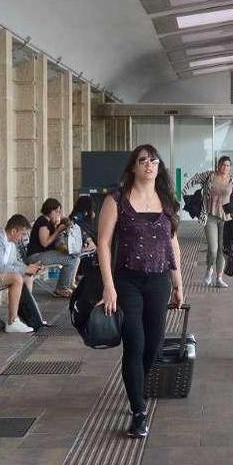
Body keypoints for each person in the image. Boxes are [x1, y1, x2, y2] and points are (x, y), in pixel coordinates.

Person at [97, 144, 184, 439]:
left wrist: (178, 282)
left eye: (153, 160)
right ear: (133, 167)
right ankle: (138, 410)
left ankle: (137, 386)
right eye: (143, 160)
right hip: (127, 281)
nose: (149, 164)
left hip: (159, 280)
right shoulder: (117, 200)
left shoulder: (166, 200)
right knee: (134, 342)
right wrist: (109, 286)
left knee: (154, 345)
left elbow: (172, 244)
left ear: (159, 167)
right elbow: (104, 245)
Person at [183, 156, 233, 287]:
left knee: (222, 250)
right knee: (213, 249)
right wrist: (184, 192)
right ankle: (209, 269)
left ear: (230, 168)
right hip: (210, 217)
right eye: (223, 165)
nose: (225, 168)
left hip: (226, 219)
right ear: (218, 165)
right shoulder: (209, 176)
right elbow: (194, 179)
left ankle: (219, 278)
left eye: (228, 165)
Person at [26, 198, 82, 298]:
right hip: (36, 256)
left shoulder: (49, 222)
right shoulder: (43, 222)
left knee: (74, 257)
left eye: (59, 211)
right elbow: (45, 243)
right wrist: (57, 231)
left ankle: (67, 285)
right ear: (49, 210)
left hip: (43, 254)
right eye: (56, 211)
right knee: (70, 260)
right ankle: (62, 288)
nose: (58, 214)